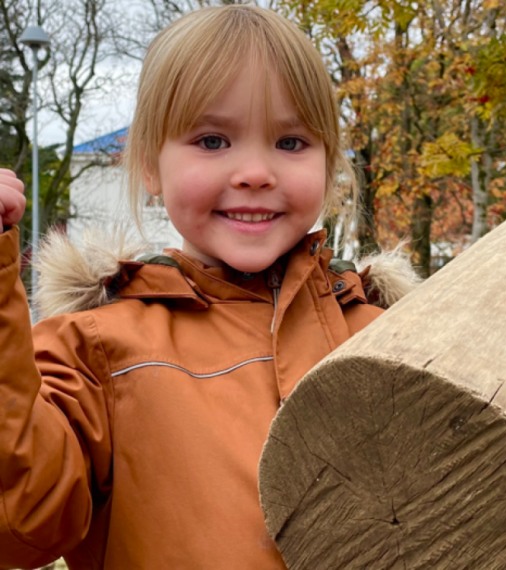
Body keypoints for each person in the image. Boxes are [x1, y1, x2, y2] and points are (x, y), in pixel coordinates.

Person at [0, 5, 419, 570]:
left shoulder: (392, 337)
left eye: (291, 143)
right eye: (213, 140)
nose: (255, 172)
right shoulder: (95, 352)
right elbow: (22, 522)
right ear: (150, 165)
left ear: (329, 163)